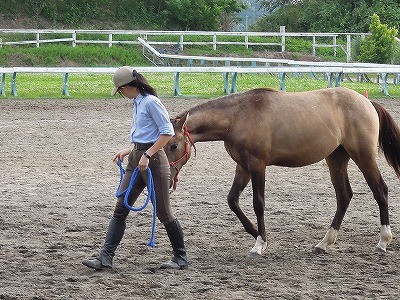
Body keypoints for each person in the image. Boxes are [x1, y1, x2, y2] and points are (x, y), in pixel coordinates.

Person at [82, 66, 188, 270]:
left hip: (154, 161)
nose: (121, 94)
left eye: (121, 90)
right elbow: (146, 133)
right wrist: (130, 150)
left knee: (164, 212)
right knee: (121, 207)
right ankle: (105, 257)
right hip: (137, 158)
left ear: (130, 86)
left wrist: (147, 155)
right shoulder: (138, 103)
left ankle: (181, 256)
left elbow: (166, 132)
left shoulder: (151, 102)